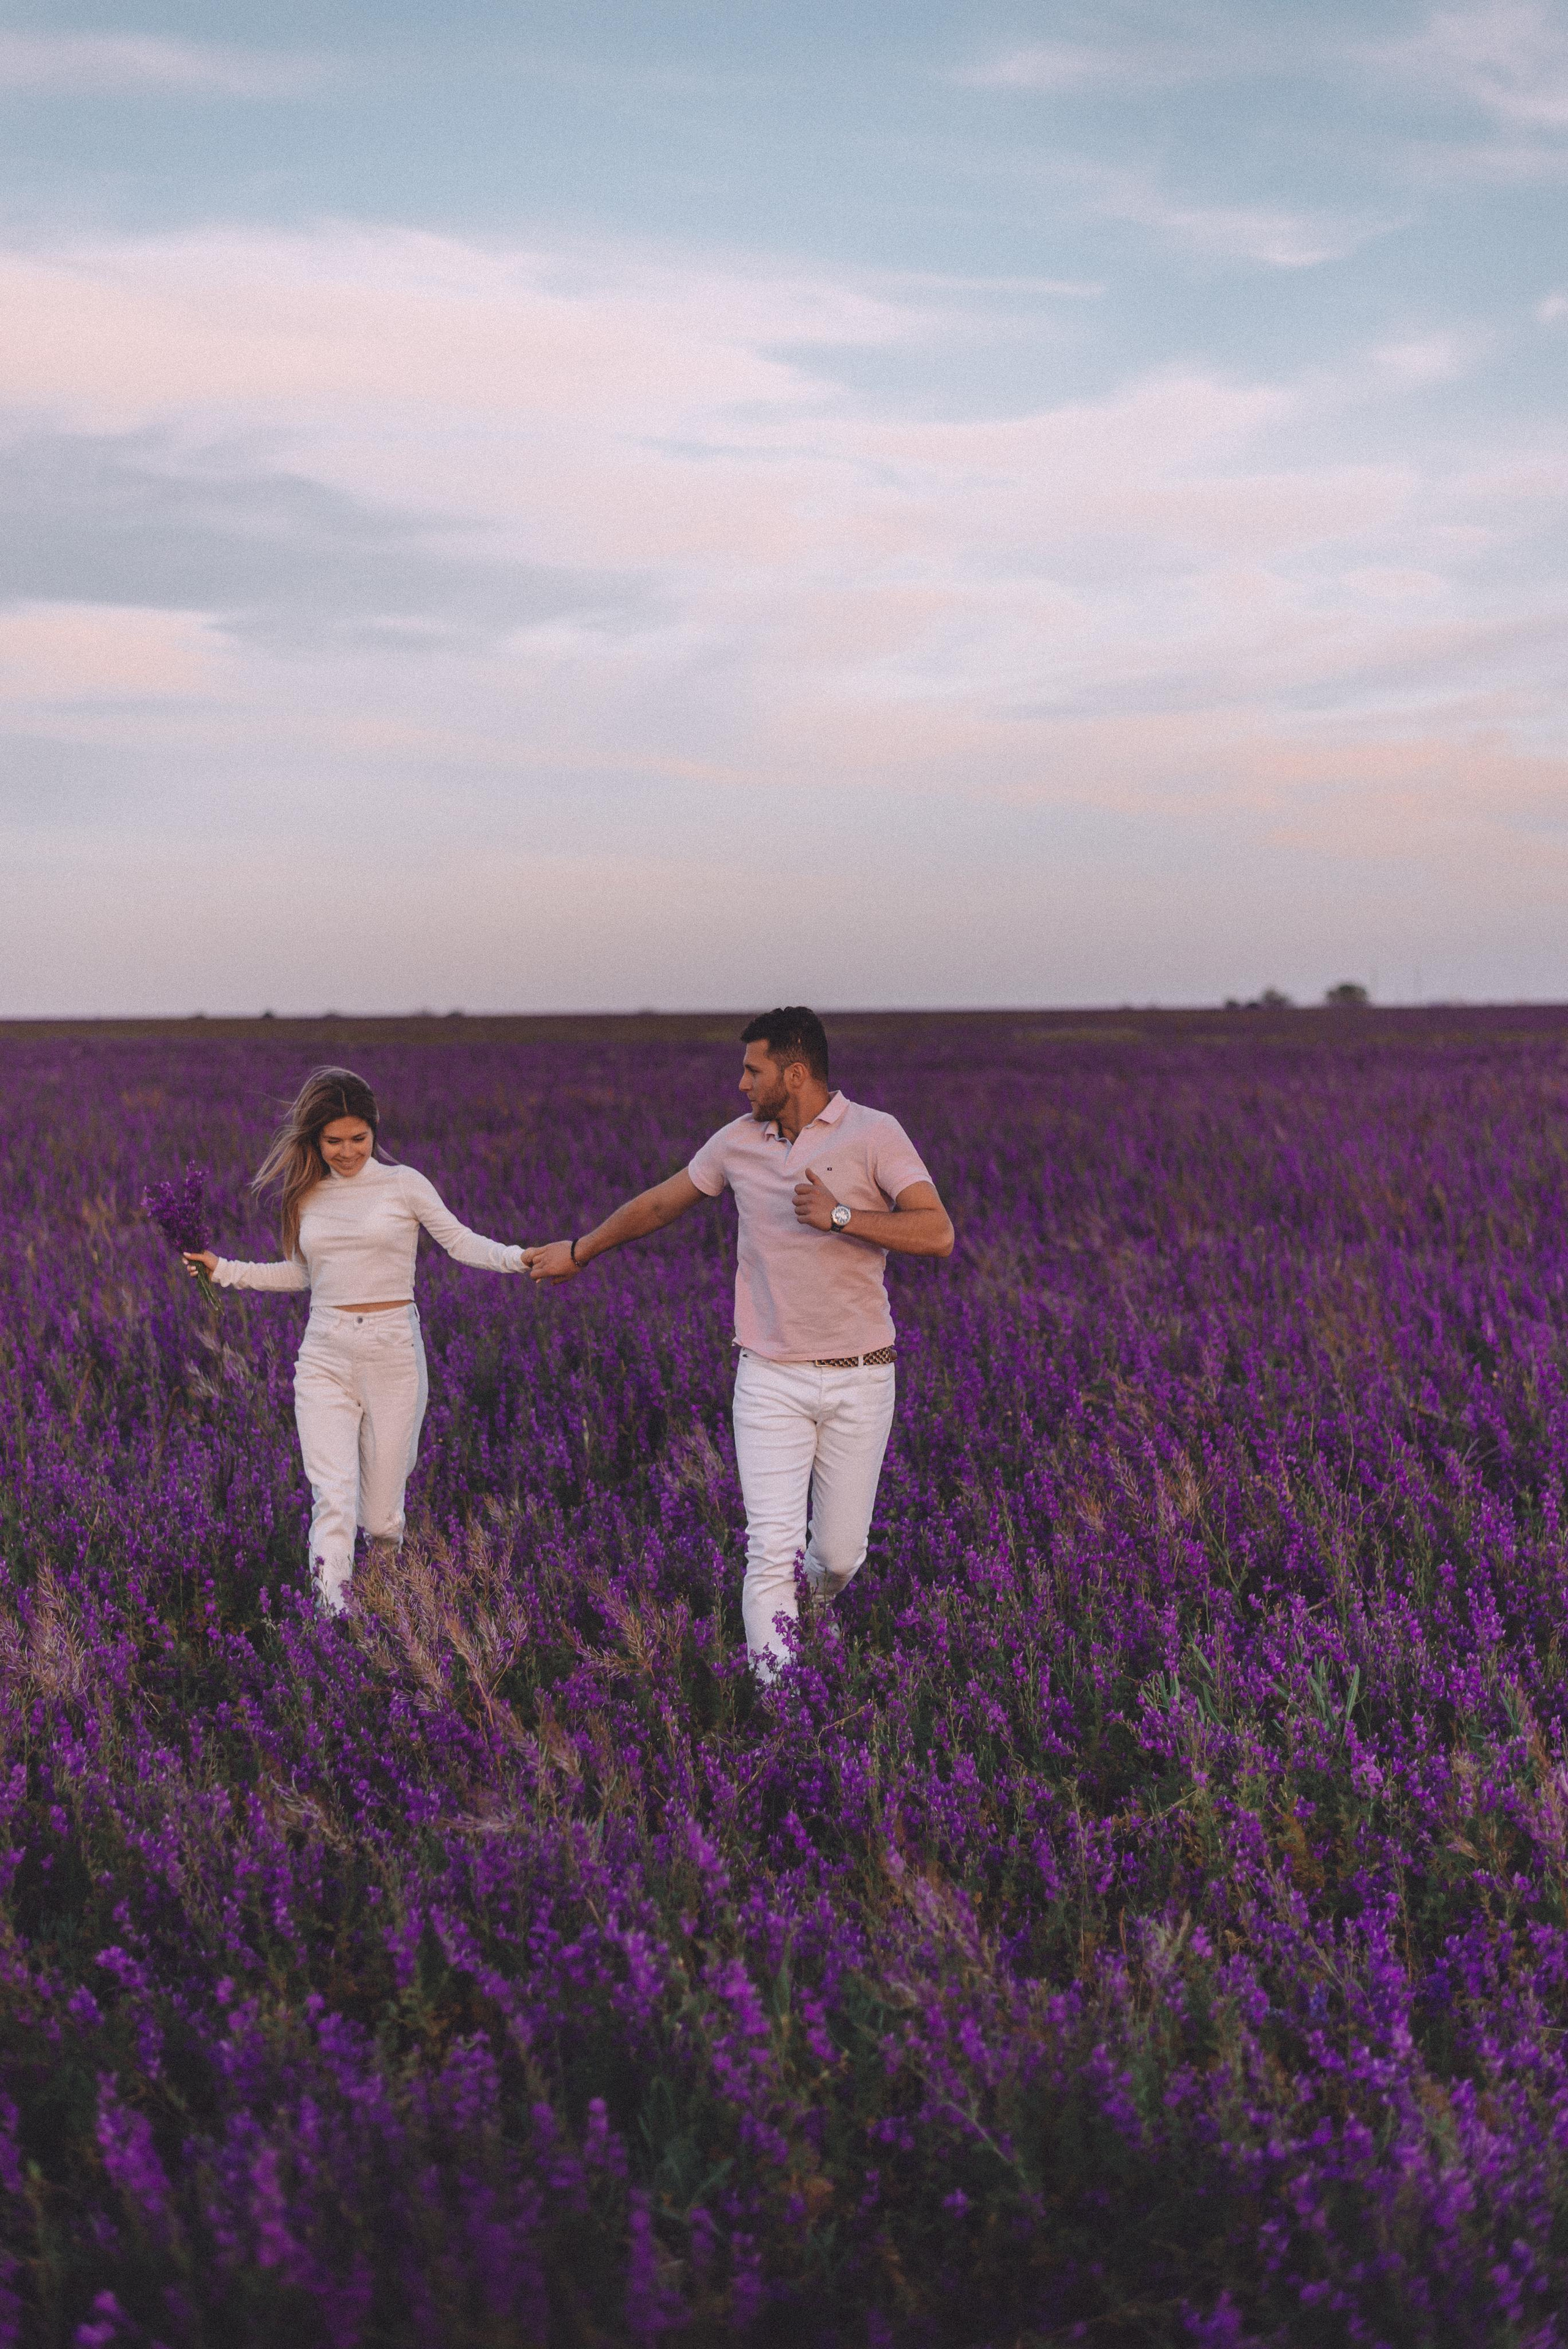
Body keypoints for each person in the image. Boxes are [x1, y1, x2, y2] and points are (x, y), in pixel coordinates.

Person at [524, 1008, 954, 1678]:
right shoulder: (735, 1143)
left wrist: (841, 1216)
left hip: (862, 1375)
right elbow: (662, 1203)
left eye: (753, 1070)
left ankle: (808, 1615)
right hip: (769, 1379)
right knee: (769, 1551)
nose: (741, 1083)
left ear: (796, 1072)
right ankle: (779, 1707)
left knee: (838, 1556)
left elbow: (937, 1233)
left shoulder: (876, 1133)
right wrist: (582, 1251)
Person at [181, 1066, 526, 1616]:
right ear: (315, 1139)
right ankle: (333, 1627)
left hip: (393, 1353)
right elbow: (303, 1275)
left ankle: (386, 1609)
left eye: (358, 1139)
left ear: (375, 1129)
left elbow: (460, 1242)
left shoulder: (403, 1183)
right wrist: (223, 1269)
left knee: (383, 1517)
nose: (347, 1152)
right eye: (333, 1141)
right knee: (333, 1501)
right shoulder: (305, 1194)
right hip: (324, 1353)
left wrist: (518, 1259)